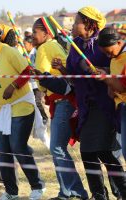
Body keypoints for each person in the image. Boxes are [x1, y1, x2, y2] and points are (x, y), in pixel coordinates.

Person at [0, 24, 45, 200]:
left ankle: (37, 186)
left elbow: (28, 70)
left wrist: (14, 85)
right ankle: (11, 192)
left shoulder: (9, 52)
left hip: (21, 105)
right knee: (3, 150)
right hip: (1, 109)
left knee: (18, 147)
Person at [67, 6, 126, 199]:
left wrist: (101, 71)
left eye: (77, 21)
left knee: (100, 150)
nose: (74, 25)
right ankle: (100, 194)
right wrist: (61, 69)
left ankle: (121, 190)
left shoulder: (104, 40)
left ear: (90, 24)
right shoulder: (75, 44)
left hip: (104, 102)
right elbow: (71, 73)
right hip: (85, 104)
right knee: (90, 153)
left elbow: (115, 64)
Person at [32, 17, 88, 200]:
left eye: (35, 32)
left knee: (57, 147)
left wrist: (40, 80)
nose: (32, 36)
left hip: (63, 101)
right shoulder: (52, 46)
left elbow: (44, 78)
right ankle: (69, 192)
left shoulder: (46, 47)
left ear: (47, 33)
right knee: (58, 148)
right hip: (61, 101)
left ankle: (74, 192)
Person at [98, 27, 126, 161]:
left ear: (119, 43)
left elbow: (121, 87)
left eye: (109, 52)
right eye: (106, 54)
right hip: (120, 108)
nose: (109, 56)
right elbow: (112, 92)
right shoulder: (114, 59)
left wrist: (105, 78)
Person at [23, 36, 48, 125]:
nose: (23, 45)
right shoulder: (24, 54)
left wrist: (32, 68)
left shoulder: (36, 54)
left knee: (38, 102)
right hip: (28, 83)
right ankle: (34, 120)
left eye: (25, 44)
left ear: (31, 44)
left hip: (36, 83)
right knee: (31, 102)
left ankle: (44, 117)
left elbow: (38, 66)